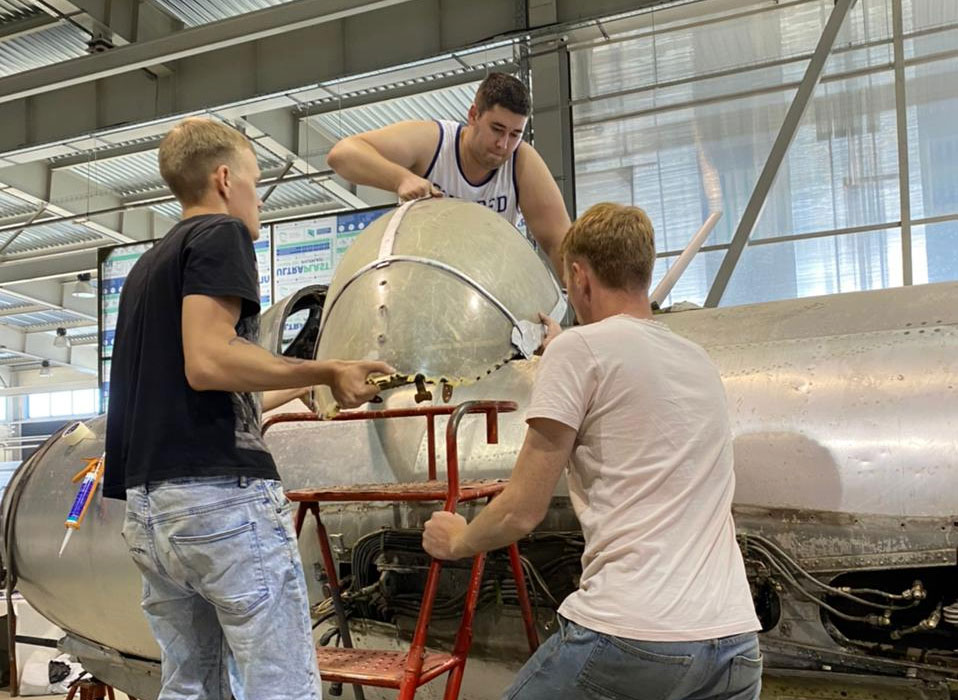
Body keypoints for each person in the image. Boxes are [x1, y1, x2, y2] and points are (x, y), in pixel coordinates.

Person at [422, 203, 762, 700]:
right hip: (734, 644)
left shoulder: (578, 351)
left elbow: (521, 511)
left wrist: (458, 540)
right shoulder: (698, 360)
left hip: (634, 634)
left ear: (580, 277)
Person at [104, 117, 393, 700]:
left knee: (190, 685)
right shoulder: (220, 233)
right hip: (220, 502)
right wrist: (326, 369)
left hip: (153, 511)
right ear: (224, 179)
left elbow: (213, 389)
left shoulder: (147, 268)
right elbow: (210, 361)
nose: (258, 200)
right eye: (256, 183)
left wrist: (305, 389)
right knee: (280, 685)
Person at [327, 72, 570, 275]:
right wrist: (402, 178)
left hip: (486, 286)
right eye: (497, 129)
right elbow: (342, 155)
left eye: (515, 134)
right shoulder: (433, 143)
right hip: (420, 280)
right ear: (473, 115)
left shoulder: (522, 162)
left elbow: (560, 245)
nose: (503, 144)